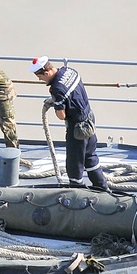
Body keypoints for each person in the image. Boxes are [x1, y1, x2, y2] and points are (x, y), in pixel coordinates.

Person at [30, 56, 109, 190]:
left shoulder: (57, 89)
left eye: (40, 76)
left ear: (47, 72)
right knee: (90, 155)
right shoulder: (70, 71)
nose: (40, 79)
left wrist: (55, 102)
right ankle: (101, 186)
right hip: (89, 118)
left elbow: (62, 115)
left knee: (74, 160)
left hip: (77, 127)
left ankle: (76, 188)